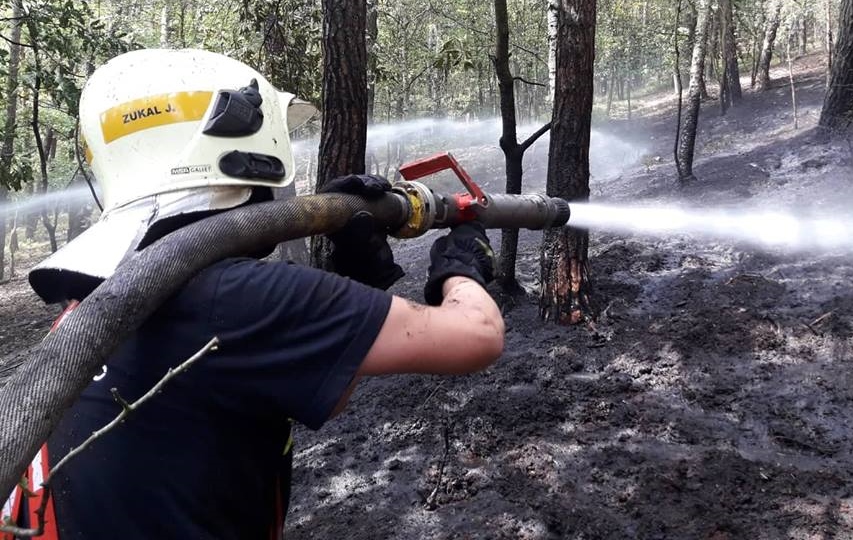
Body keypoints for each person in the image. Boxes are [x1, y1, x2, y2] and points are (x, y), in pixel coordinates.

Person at [9, 49, 503, 539]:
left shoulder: (104, 293)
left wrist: (358, 278)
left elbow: (320, 390)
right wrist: (462, 265)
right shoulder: (234, 297)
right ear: (246, 141)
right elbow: (477, 335)